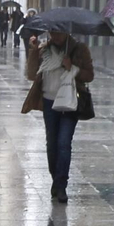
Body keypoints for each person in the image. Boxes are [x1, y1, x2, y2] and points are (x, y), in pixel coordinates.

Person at [23, 29, 95, 204]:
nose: (55, 37)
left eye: (58, 33)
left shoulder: (79, 49)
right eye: (52, 33)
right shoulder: (44, 50)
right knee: (52, 145)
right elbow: (32, 74)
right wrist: (33, 51)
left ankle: (61, 185)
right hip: (49, 102)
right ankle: (57, 179)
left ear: (66, 32)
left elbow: (90, 75)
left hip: (70, 102)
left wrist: (73, 67)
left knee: (64, 143)